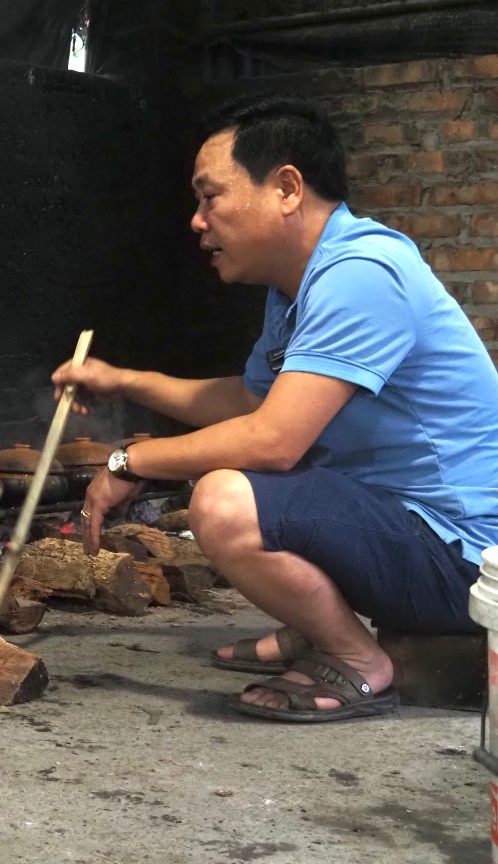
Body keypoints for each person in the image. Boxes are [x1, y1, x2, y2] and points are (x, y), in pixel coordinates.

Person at [51, 93, 498, 722]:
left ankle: (357, 660)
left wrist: (132, 460)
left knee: (226, 500)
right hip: (408, 530)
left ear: (287, 187)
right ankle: (323, 626)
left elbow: (272, 438)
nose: (197, 221)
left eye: (211, 197)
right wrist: (124, 380)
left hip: (465, 561)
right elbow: (250, 400)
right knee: (254, 480)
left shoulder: (363, 273)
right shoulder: (300, 285)